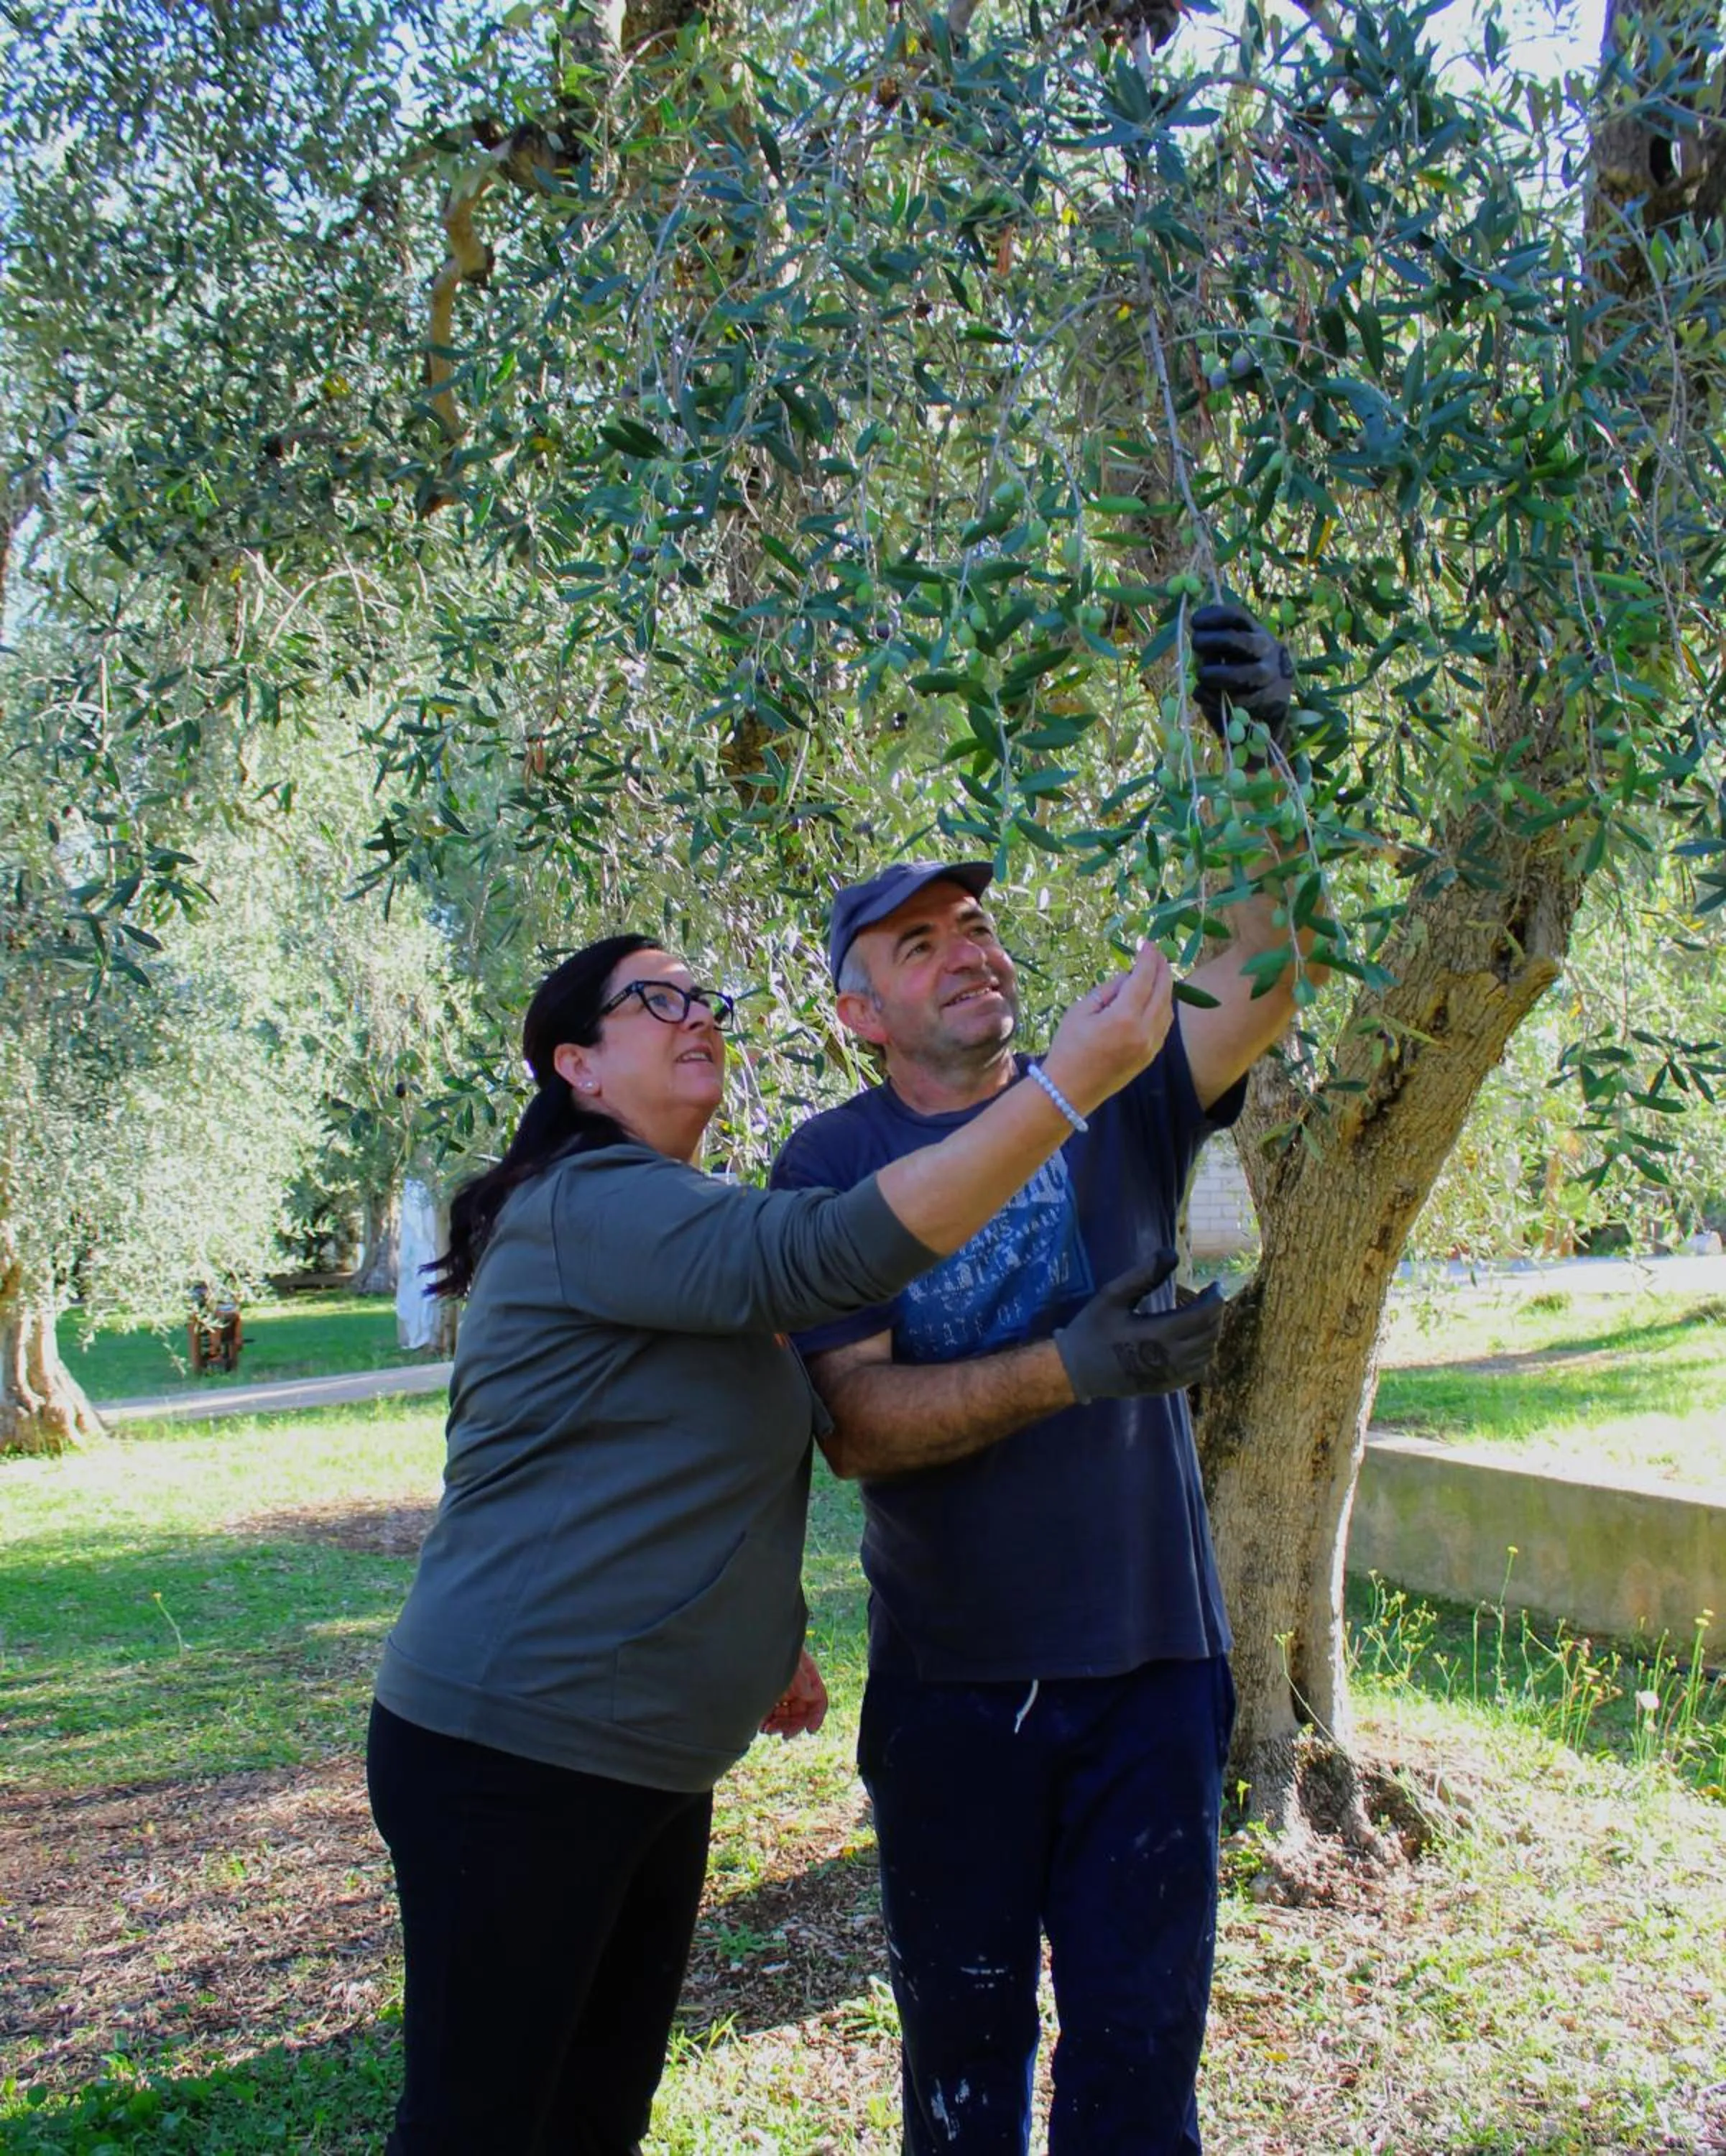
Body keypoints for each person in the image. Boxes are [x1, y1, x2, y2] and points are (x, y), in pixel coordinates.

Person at [366, 925, 1189, 2156]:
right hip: (514, 1746)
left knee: (591, 2117)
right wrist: (1061, 1090)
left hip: (640, 1755)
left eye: (706, 997)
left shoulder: (679, 1224)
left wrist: (762, 1633)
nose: (697, 1014)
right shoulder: (587, 1203)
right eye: (654, 1000)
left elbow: (683, 1462)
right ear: (576, 1067)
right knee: (480, 2124)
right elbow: (829, 1254)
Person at [769, 602, 1319, 2156]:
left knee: (1141, 2068)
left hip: (1152, 1665)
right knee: (964, 2064)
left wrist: (1262, 758)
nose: (971, 954)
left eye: (979, 929)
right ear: (856, 1013)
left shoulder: (1125, 1084)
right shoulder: (833, 1162)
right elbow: (860, 1426)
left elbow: (1256, 970)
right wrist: (1069, 1369)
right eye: (918, 943)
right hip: (957, 1687)